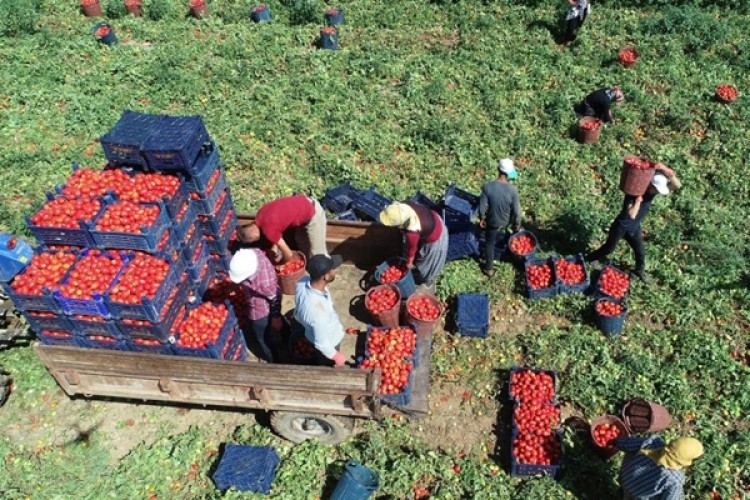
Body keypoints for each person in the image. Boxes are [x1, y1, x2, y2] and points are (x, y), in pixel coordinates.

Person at [586, 164, 682, 283]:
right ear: (650, 185)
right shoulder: (633, 193)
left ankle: (639, 271)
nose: (657, 192)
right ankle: (590, 259)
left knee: (640, 252)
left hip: (634, 228)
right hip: (620, 226)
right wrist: (638, 201)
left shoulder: (653, 193)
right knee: (608, 248)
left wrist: (667, 171)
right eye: (656, 189)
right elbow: (632, 214)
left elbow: (677, 185)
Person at [378, 200, 449, 289]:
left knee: (426, 264)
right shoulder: (405, 206)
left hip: (436, 235)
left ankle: (428, 280)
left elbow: (411, 251)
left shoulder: (412, 233)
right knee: (417, 252)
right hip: (433, 218)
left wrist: (409, 263)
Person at [237, 194, 327, 263]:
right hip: (304, 204)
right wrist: (274, 248)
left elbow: (289, 254)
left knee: (318, 255)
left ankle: (323, 278)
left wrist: (281, 265)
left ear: (251, 236)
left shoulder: (268, 231)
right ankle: (309, 266)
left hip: (314, 214)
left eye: (252, 241)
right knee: (300, 241)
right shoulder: (260, 214)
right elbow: (277, 226)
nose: (255, 240)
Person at [228, 248, 283, 362]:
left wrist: (276, 317)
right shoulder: (254, 253)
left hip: (261, 311)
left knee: (263, 338)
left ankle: (275, 360)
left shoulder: (264, 283)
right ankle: (283, 335)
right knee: (278, 327)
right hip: (259, 303)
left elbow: (275, 298)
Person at [294, 254, 347, 367]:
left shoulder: (301, 282)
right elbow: (322, 344)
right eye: (333, 269)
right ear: (326, 277)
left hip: (312, 330)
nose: (335, 271)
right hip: (330, 341)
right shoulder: (318, 313)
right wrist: (336, 356)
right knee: (326, 363)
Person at [615, 435, 704, 499]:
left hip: (625, 478)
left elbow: (625, 444)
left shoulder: (651, 442)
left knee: (625, 493)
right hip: (639, 495)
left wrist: (615, 440)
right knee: (679, 495)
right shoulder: (675, 480)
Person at [479, 158, 523, 278]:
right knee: (515, 232)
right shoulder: (513, 190)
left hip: (493, 221)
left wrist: (482, 218)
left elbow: (482, 206)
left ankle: (489, 269)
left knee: (489, 243)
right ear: (509, 173)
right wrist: (517, 223)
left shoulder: (488, 187)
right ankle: (511, 253)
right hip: (507, 221)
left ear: (498, 169)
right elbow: (516, 210)